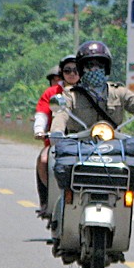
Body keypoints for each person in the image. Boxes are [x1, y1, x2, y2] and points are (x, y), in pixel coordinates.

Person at [33, 54, 80, 218]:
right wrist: (39, 129)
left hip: (84, 141)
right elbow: (42, 113)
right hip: (57, 141)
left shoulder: (88, 90)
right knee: (44, 160)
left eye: (76, 70)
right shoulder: (53, 93)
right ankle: (49, 198)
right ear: (62, 73)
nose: (72, 74)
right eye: (67, 70)